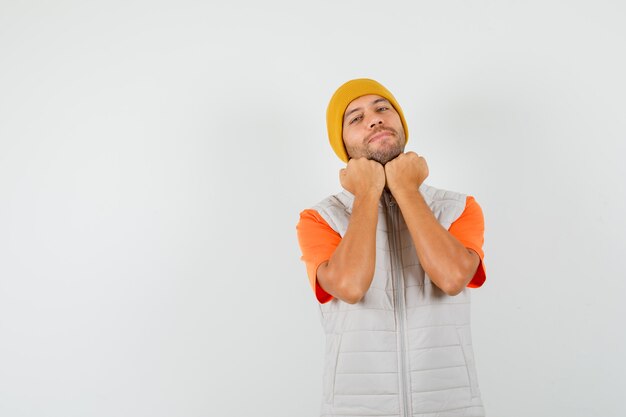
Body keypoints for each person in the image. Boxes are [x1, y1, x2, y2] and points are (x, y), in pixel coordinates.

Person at [296, 78, 487, 417]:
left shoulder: (458, 207)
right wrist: (367, 193)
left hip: (450, 408)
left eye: (383, 108)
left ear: (400, 122)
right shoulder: (320, 218)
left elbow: (453, 277)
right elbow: (350, 287)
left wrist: (407, 190)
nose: (374, 119)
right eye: (355, 118)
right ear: (341, 142)